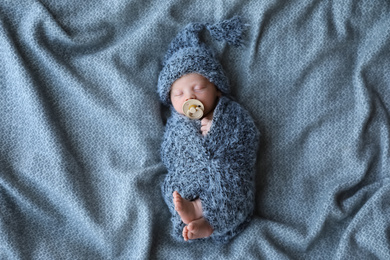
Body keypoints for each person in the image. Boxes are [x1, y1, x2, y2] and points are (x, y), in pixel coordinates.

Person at [157, 16, 260, 243]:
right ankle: (192, 212)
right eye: (179, 94)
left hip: (224, 170)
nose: (190, 96)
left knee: (229, 182)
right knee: (171, 187)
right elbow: (169, 153)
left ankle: (208, 220)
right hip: (189, 175)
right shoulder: (177, 124)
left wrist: (216, 131)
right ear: (170, 101)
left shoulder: (230, 113)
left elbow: (248, 137)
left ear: (217, 90)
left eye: (198, 87)